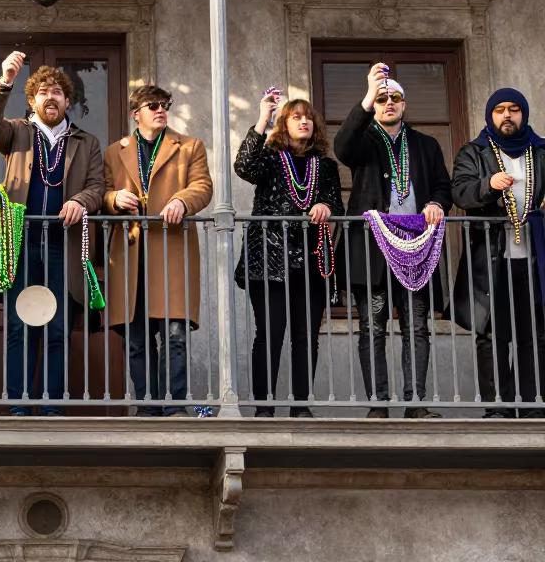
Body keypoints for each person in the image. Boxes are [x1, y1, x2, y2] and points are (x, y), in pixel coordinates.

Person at [0, 52, 105, 414]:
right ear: (32, 100)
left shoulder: (87, 141)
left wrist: (81, 200)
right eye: (43, 92)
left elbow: (97, 186)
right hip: (21, 243)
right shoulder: (16, 131)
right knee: (18, 327)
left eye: (58, 92)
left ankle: (51, 406)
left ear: (67, 101)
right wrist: (5, 80)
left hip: (62, 246)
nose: (51, 97)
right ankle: (18, 406)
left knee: (59, 328)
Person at [334, 63, 451, 418]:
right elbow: (342, 147)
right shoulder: (364, 140)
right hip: (372, 247)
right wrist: (367, 95)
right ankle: (378, 404)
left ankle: (415, 403)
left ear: (404, 105)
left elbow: (443, 188)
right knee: (373, 326)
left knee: (416, 325)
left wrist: (436, 203)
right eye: (383, 99)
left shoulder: (426, 144)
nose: (388, 103)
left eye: (394, 98)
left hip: (415, 247)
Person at [104, 84, 212, 416]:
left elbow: (203, 186)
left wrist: (182, 199)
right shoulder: (114, 152)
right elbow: (103, 192)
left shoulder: (189, 146)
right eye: (153, 105)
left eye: (165, 104)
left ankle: (176, 406)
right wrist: (113, 199)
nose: (161, 109)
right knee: (136, 340)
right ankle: (148, 406)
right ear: (136, 114)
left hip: (172, 249)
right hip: (130, 254)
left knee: (174, 335)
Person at [234, 91, 343, 417]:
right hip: (268, 258)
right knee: (269, 333)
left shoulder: (324, 166)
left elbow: (336, 202)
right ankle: (264, 408)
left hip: (310, 260)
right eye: (296, 116)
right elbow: (243, 166)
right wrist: (262, 118)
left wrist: (325, 205)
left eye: (308, 117)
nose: (304, 121)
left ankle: (300, 406)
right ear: (284, 124)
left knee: (306, 336)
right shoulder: (268, 157)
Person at [451, 88, 545, 417]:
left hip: (535, 258)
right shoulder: (474, 152)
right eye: (500, 110)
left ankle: (532, 405)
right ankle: (497, 408)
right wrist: (488, 186)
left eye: (514, 109)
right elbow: (460, 193)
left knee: (535, 333)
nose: (507, 115)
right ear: (491, 116)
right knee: (491, 334)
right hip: (490, 259)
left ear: (524, 114)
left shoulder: (541, 150)